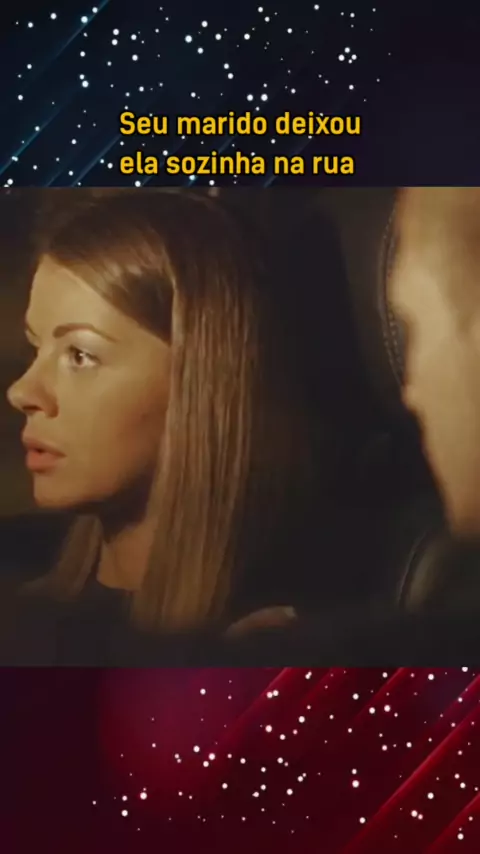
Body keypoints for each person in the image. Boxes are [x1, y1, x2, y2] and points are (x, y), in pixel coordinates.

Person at [1, 188, 319, 664]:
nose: (22, 391)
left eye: (80, 355)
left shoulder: (269, 650)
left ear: (198, 382)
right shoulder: (26, 605)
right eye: (35, 348)